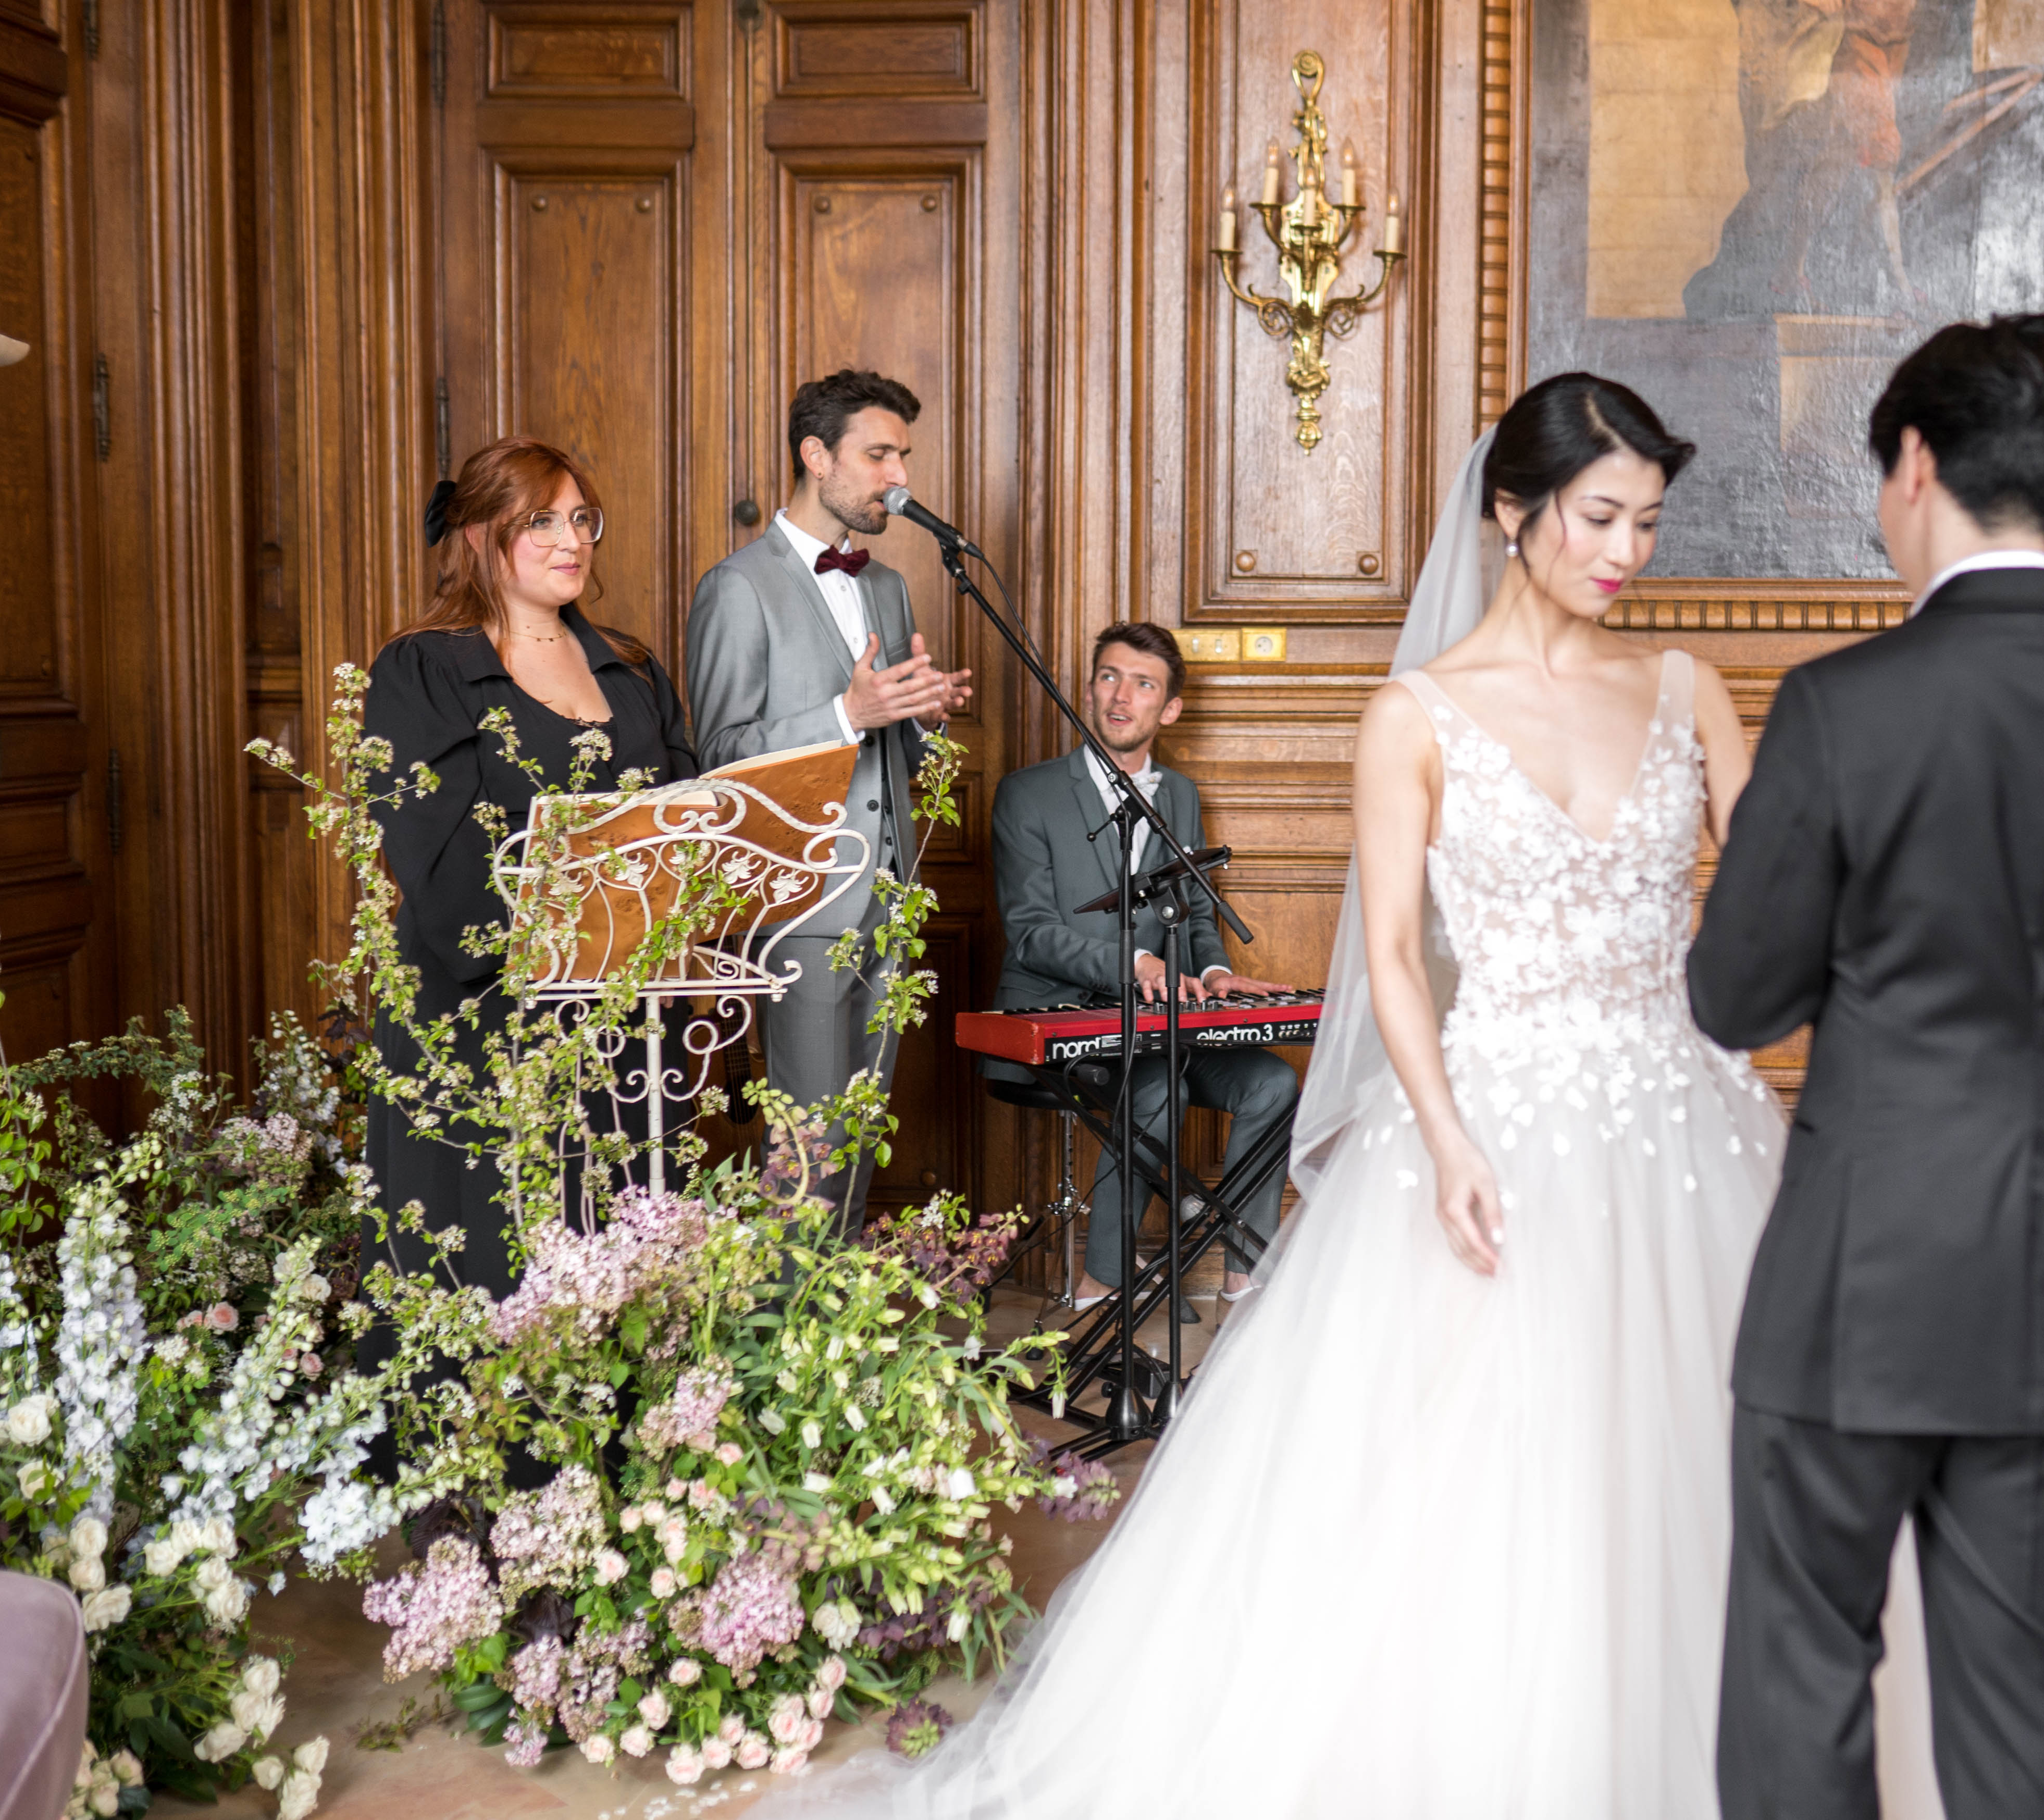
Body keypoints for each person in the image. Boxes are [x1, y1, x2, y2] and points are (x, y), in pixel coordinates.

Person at [752, 373, 1857, 1819]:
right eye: (1600, 517)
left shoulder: (1688, 693)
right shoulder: (1416, 714)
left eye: (1648, 524)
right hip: (1490, 1117)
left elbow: (1783, 895)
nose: (1627, 553)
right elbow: (1389, 953)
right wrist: (1447, 1134)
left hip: (1676, 1117)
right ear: (1512, 512)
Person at [1689, 315, 2044, 1820]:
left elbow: (1735, 994)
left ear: (1913, 462)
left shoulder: (1840, 705)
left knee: (1801, 1665)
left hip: (1857, 1265)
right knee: (2017, 1678)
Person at [361, 436, 700, 1332]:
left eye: (580, 518)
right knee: (489, 1257)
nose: (570, 539)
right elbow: (436, 854)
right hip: (479, 1012)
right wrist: (555, 940)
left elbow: (685, 820)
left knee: (617, 1236)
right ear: (479, 534)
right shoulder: (421, 666)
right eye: (540, 520)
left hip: (623, 1008)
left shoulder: (631, 667)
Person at [683, 370, 970, 1235]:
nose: (897, 477)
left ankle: (833, 1356)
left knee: (856, 1138)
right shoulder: (737, 588)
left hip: (890, 899)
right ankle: (786, 1353)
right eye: (878, 454)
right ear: (815, 455)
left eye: (902, 457)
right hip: (801, 904)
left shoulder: (885, 586)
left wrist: (917, 716)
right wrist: (849, 711)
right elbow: (719, 762)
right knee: (803, 1152)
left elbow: (890, 752)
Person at [985, 622, 1296, 1305]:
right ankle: (1103, 1281)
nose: (1119, 697)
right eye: (1107, 677)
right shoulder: (1025, 793)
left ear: (1170, 708)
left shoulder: (1178, 796)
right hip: (1058, 1022)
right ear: (1089, 688)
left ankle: (1245, 1276)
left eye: (1143, 684)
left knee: (1271, 1083)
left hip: (1165, 1026)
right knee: (1158, 1091)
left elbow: (1194, 913)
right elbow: (1031, 933)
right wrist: (1134, 965)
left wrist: (1213, 974)